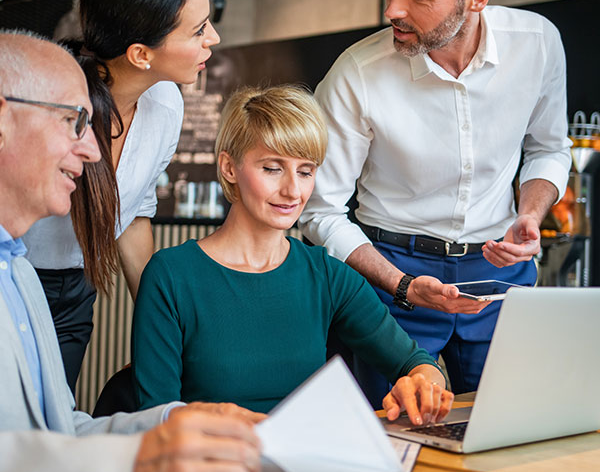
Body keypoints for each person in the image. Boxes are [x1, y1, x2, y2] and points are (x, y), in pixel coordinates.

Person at [299, 0, 572, 403]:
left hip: (499, 275)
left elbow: (548, 149)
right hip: (387, 274)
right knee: (388, 441)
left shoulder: (538, 45)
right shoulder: (356, 73)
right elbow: (320, 211)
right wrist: (401, 284)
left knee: (505, 429)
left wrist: (531, 214)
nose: (392, 10)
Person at [0, 31, 261, 472]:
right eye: (73, 121)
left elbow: (60, 428)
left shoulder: (18, 274)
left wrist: (173, 424)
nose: (94, 152)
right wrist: (130, 467)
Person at [131, 85, 454, 426]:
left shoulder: (328, 276)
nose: (292, 191)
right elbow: (155, 418)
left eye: (305, 171)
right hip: (211, 467)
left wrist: (422, 384)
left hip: (307, 466)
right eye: (272, 168)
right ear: (229, 167)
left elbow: (417, 363)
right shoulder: (170, 275)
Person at [22, 0, 220, 393]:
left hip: (75, 292)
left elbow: (133, 216)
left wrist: (159, 327)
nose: (215, 39)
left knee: (52, 422)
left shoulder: (166, 102)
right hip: (12, 277)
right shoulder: (49, 103)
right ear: (140, 54)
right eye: (199, 29)